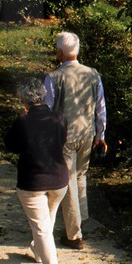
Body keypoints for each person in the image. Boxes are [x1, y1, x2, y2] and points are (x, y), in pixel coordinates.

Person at [3, 78, 70, 264]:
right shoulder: (59, 118)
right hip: (59, 180)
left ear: (23, 100)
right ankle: (39, 252)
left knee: (41, 227)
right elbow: (63, 139)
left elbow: (10, 145)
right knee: (47, 221)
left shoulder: (22, 122)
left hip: (33, 182)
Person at [44, 31, 106, 250]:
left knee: (68, 180)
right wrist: (101, 135)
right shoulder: (93, 74)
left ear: (60, 52)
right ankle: (81, 221)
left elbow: (48, 110)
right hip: (87, 133)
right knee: (80, 177)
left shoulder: (53, 77)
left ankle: (74, 234)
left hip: (65, 135)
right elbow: (100, 108)